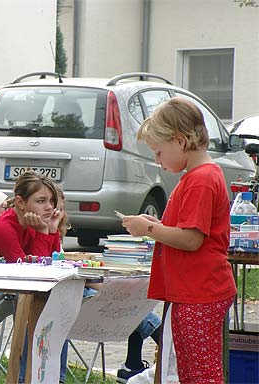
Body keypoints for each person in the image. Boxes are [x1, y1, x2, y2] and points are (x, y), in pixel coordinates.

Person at [0, 172, 161, 383]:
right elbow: (36, 274)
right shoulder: (4, 226)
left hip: (14, 287)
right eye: (41, 201)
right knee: (55, 302)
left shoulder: (32, 221)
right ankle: (31, 377)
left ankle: (52, 376)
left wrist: (49, 230)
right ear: (21, 203)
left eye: (52, 201)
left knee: (64, 299)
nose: (50, 207)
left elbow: (50, 262)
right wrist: (44, 231)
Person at [122, 97, 236, 383]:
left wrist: (148, 230)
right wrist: (157, 225)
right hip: (192, 290)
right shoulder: (198, 176)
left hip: (199, 291)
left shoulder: (201, 179)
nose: (158, 162)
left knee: (200, 374)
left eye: (159, 152)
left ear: (180, 140)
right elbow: (187, 231)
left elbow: (191, 240)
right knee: (189, 372)